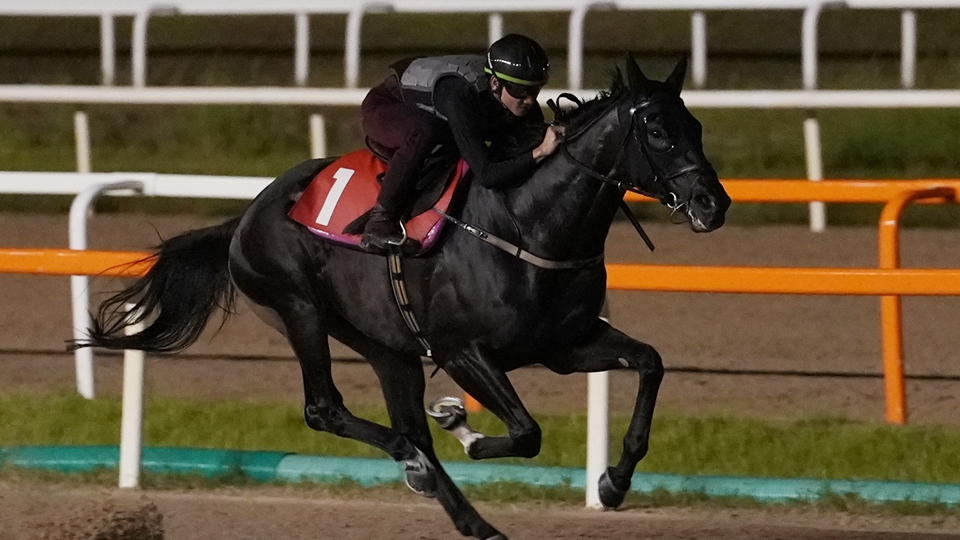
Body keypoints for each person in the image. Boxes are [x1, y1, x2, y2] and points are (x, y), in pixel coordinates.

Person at [359, 33, 566, 252]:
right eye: (521, 91)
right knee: (427, 132)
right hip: (386, 106)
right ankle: (379, 222)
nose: (530, 100)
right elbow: (487, 175)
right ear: (495, 83)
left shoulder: (515, 98)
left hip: (440, 112)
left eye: (535, 90)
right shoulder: (460, 97)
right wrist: (540, 151)